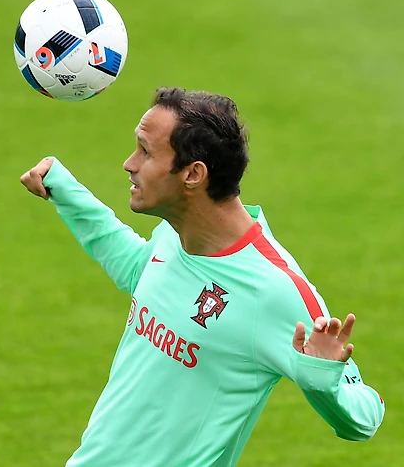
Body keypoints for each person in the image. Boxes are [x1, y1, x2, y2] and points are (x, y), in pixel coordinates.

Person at [20, 87, 385, 467]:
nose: (129, 163)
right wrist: (67, 194)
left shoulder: (274, 291)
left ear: (193, 174)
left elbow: (366, 417)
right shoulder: (175, 234)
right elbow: (141, 272)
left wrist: (322, 381)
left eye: (146, 151)